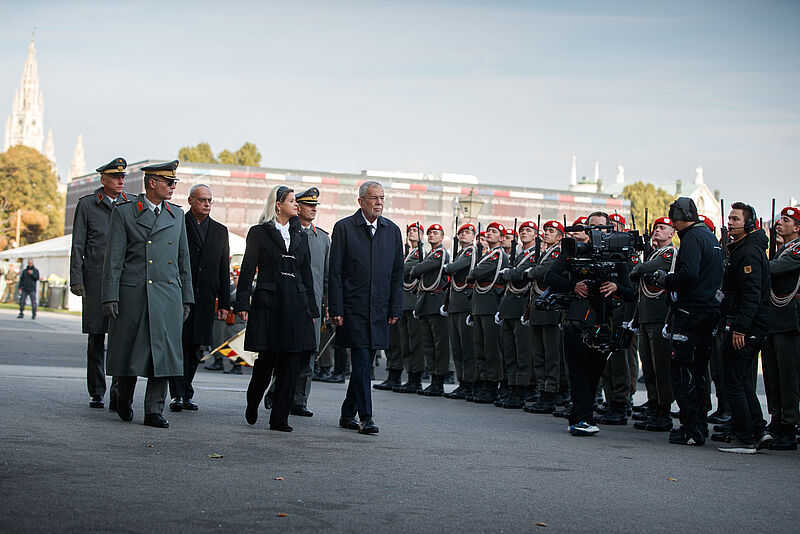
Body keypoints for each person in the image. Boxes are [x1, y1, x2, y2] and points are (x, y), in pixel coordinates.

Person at [102, 160, 193, 428]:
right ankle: (123, 398)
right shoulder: (125, 213)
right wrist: (110, 295)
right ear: (152, 183)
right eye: (169, 182)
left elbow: (183, 259)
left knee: (164, 355)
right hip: (134, 293)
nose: (173, 187)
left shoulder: (177, 215)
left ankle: (154, 410)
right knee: (129, 351)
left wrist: (186, 297)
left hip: (167, 294)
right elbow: (114, 258)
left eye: (174, 182)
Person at [544, 212, 636, 436]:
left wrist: (615, 287)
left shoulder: (617, 256)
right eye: (592, 226)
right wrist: (573, 286)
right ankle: (581, 419)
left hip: (604, 321)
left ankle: (581, 416)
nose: (596, 230)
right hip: (577, 318)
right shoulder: (573, 251)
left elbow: (630, 293)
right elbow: (550, 277)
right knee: (577, 371)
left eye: (601, 227)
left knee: (594, 372)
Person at [235, 185, 318, 432]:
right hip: (270, 304)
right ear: (278, 205)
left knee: (292, 363)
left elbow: (306, 274)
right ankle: (253, 401)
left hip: (296, 304)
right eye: (291, 201)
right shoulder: (259, 232)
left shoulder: (300, 235)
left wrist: (312, 309)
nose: (296, 204)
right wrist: (242, 303)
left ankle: (279, 418)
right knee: (266, 362)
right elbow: (247, 269)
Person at [328, 180, 404, 434]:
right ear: (360, 201)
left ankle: (347, 412)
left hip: (380, 309)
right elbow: (335, 272)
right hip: (354, 308)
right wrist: (336, 307)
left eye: (382, 197)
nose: (379, 202)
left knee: (365, 362)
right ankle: (366, 417)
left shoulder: (392, 231)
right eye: (374, 198)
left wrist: (395, 307)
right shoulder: (344, 228)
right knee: (361, 360)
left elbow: (397, 273)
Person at [650, 197, 723, 446]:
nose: (672, 221)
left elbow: (689, 274)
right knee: (698, 371)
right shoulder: (709, 237)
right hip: (707, 310)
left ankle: (691, 427)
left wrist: (666, 280)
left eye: (673, 216)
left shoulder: (692, 237)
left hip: (691, 312)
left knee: (682, 371)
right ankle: (698, 424)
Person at [69, 157, 129, 409]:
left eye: (123, 177)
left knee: (121, 337)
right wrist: (76, 279)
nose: (121, 181)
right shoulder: (87, 205)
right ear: (103, 180)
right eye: (116, 177)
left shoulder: (130, 204)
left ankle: (118, 392)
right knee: (96, 337)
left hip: (122, 280)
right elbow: (78, 245)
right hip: (95, 279)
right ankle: (96, 390)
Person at [168, 184, 230, 412]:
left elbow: (223, 269)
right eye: (202, 199)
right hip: (181, 295)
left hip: (205, 298)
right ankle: (177, 394)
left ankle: (186, 391)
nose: (206, 204)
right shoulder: (178, 224)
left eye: (210, 200)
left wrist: (224, 302)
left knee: (196, 348)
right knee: (180, 347)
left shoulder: (220, 231)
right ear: (190, 201)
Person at [716, 203, 772, 454]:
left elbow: (751, 294)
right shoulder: (743, 249)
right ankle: (758, 430)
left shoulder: (748, 252)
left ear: (749, 224)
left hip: (746, 326)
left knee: (734, 381)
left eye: (735, 219)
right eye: (729, 218)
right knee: (742, 379)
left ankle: (745, 437)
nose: (730, 222)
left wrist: (740, 328)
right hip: (746, 323)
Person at [629, 216, 676, 432]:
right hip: (646, 316)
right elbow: (636, 272)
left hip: (659, 316)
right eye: (656, 227)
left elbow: (643, 269)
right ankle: (654, 404)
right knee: (648, 366)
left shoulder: (669, 253)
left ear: (672, 233)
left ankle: (664, 410)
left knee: (660, 366)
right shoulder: (653, 254)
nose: (658, 230)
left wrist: (641, 267)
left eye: (663, 228)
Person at [288, 187, 330, 417]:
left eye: (315, 206)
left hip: (312, 307)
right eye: (309, 205)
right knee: (285, 352)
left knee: (309, 353)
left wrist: (329, 305)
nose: (313, 209)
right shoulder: (287, 233)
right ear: (298, 207)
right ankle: (277, 392)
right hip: (289, 303)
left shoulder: (322, 238)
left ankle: (300, 400)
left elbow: (328, 277)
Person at [763, 206, 800, 450]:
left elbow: (774, 269)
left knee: (788, 377)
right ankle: (777, 419)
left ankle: (789, 425)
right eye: (780, 219)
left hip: (788, 320)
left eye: (786, 220)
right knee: (772, 374)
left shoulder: (796, 249)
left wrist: (754, 261)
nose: (780, 223)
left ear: (797, 228)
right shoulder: (780, 250)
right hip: (774, 319)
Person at [496, 220, 538, 409]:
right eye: (522, 230)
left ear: (535, 235)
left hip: (522, 306)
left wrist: (509, 273)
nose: (524, 233)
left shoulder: (535, 254)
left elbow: (518, 274)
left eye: (528, 230)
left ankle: (521, 388)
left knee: (522, 352)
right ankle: (512, 386)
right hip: (509, 306)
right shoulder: (519, 254)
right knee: (510, 351)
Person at [467, 221, 509, 404]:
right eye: (488, 231)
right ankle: (483, 382)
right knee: (480, 347)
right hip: (480, 305)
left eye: (494, 232)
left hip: (490, 305)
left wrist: (474, 273)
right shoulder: (487, 254)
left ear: (501, 238)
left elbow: (475, 274)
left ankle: (492, 385)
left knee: (491, 349)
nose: (489, 233)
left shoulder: (498, 255)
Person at [526, 220, 565, 414]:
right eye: (546, 231)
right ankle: (542, 390)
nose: (547, 233)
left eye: (551, 231)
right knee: (538, 353)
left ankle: (550, 392)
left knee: (551, 355)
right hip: (538, 308)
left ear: (560, 237)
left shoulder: (557, 253)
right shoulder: (544, 253)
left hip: (551, 309)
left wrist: (531, 272)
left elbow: (544, 271)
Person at [409, 223, 450, 396]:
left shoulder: (440, 253)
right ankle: (433, 378)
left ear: (442, 237)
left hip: (436, 302)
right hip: (426, 302)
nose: (432, 235)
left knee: (439, 344)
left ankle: (439, 381)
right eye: (430, 233)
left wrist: (415, 269)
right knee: (429, 344)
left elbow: (419, 269)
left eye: (435, 233)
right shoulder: (431, 254)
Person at [442, 223, 477, 400]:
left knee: (466, 347)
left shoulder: (471, 252)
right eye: (461, 232)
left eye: (467, 232)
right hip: (455, 304)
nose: (463, 235)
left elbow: (452, 269)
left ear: (474, 236)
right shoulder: (461, 253)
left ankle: (469, 383)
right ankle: (462, 381)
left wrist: (448, 267)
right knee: (456, 347)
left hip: (465, 304)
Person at [391, 223, 425, 393]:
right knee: (405, 342)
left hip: (413, 302)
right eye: (410, 230)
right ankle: (408, 376)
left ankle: (415, 378)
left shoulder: (420, 253)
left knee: (415, 342)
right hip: (404, 302)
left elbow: (403, 269)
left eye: (415, 230)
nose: (411, 232)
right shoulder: (409, 253)